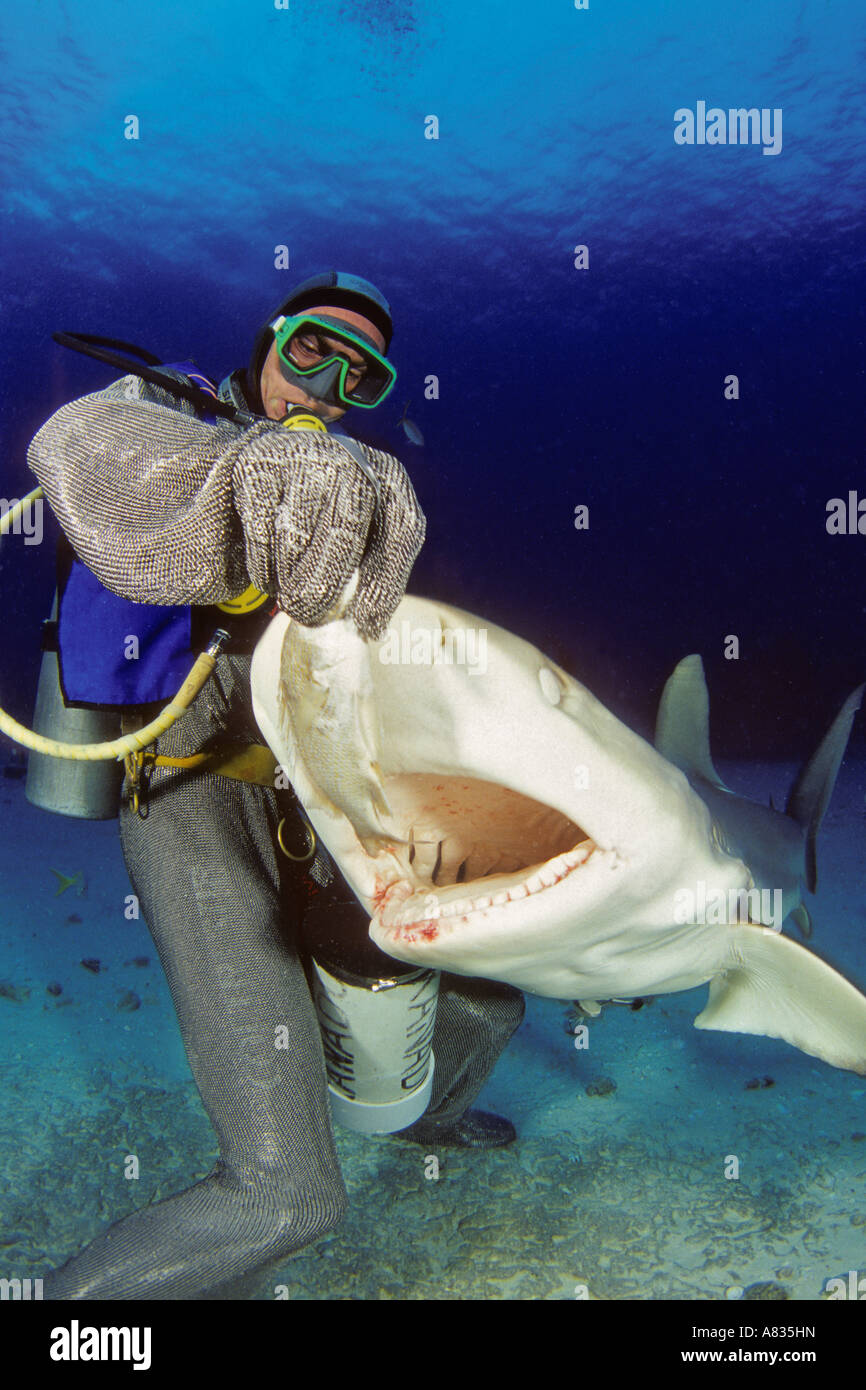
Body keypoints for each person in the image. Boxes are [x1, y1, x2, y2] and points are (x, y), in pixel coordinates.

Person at [27, 271, 525, 1300]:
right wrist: (247, 469)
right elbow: (79, 446)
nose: (326, 383)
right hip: (190, 803)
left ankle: (428, 1117)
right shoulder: (163, 412)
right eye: (310, 350)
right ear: (263, 344)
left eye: (360, 372)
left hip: (319, 808)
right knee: (290, 1195)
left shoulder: (352, 490)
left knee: (487, 1008)